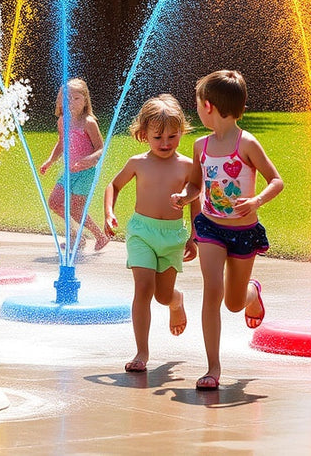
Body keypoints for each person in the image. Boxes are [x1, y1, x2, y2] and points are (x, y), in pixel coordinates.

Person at [189, 70, 283, 391]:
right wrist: (184, 198)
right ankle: (213, 367)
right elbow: (194, 185)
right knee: (212, 290)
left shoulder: (248, 144)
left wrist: (256, 200)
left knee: (232, 303)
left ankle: (251, 293)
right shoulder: (199, 146)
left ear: (208, 106)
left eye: (198, 105)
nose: (197, 111)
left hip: (243, 233)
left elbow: (276, 180)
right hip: (211, 229)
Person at [104, 94, 200, 374]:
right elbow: (113, 185)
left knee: (163, 295)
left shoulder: (186, 166)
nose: (166, 143)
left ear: (182, 130)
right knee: (143, 289)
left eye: (173, 136)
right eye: (158, 137)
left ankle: (176, 301)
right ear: (144, 134)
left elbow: (196, 199)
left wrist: (195, 234)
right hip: (142, 233)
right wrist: (109, 212)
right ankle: (142, 352)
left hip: (172, 236)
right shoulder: (138, 163)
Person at [40, 78, 110, 251]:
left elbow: (101, 148)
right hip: (69, 171)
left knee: (76, 209)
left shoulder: (89, 122)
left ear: (85, 100)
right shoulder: (62, 120)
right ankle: (75, 236)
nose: (71, 102)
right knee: (55, 203)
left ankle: (99, 236)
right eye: (67, 98)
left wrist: (89, 159)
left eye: (76, 98)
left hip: (86, 173)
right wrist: (50, 160)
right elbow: (61, 143)